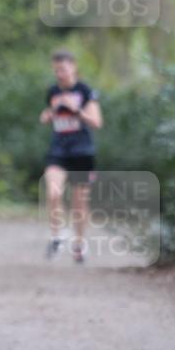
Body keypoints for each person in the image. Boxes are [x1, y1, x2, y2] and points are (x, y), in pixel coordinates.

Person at [39, 50, 103, 264]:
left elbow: (96, 122)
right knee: (53, 193)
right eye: (56, 70)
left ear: (73, 67)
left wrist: (77, 111)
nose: (60, 74)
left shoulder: (85, 91)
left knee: (79, 203)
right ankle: (57, 235)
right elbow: (46, 116)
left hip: (82, 152)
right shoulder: (53, 92)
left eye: (63, 69)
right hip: (58, 150)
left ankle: (79, 243)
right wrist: (50, 112)